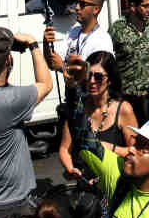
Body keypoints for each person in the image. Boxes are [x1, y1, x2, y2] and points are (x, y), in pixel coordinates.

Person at [0, 26, 54, 218]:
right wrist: (33, 44)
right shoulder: (8, 100)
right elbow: (46, 83)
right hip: (13, 202)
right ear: (8, 60)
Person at [57, 51, 137, 179]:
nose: (92, 81)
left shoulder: (123, 110)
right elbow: (65, 149)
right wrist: (71, 168)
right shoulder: (79, 107)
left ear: (110, 80)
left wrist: (105, 147)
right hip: (85, 183)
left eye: (98, 76)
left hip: (115, 183)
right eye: (89, 75)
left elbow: (134, 152)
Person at [111, 0, 149, 119]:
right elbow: (108, 58)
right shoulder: (118, 28)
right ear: (133, 6)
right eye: (146, 6)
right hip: (126, 96)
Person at [63, 0, 113, 67]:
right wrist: (47, 46)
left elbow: (96, 76)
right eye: (77, 2)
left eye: (82, 4)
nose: (77, 7)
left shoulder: (102, 40)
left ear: (96, 9)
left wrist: (63, 67)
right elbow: (54, 63)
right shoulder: (74, 31)